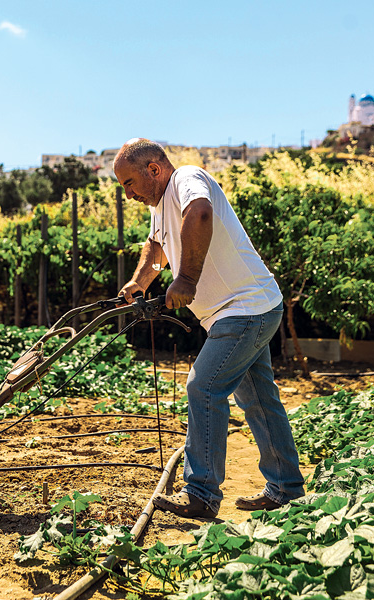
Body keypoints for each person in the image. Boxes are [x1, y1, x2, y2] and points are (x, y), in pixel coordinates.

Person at [114, 138, 305, 519]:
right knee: (258, 400)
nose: (128, 193)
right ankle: (286, 489)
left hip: (245, 309)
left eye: (130, 182)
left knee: (203, 386)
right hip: (245, 309)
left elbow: (200, 213)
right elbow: (157, 245)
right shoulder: (160, 206)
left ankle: (201, 494)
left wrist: (185, 279)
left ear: (154, 169)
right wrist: (140, 282)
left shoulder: (187, 179)